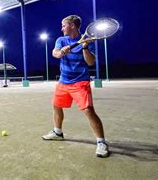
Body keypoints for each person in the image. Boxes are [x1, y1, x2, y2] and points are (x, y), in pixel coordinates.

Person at [42, 15, 109, 158]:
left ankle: (101, 142)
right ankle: (57, 133)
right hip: (63, 81)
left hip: (80, 82)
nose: (61, 28)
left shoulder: (87, 41)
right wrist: (61, 52)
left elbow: (91, 62)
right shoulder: (61, 40)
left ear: (72, 25)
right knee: (56, 106)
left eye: (64, 25)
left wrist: (85, 47)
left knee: (88, 111)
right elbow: (55, 53)